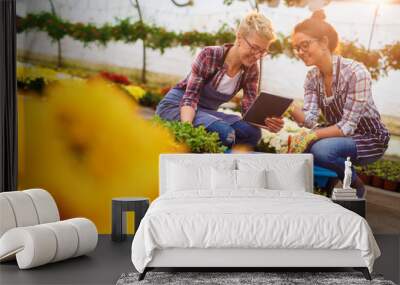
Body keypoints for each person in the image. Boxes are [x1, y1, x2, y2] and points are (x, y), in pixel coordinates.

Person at [266, 10, 390, 198]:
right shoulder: (312, 78)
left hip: (369, 137)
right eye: (297, 48)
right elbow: (310, 119)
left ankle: (355, 184)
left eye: (305, 45)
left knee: (321, 150)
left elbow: (348, 126)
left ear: (324, 42)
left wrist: (311, 135)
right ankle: (317, 189)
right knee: (294, 146)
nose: (300, 52)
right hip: (338, 135)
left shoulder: (356, 72)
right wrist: (289, 107)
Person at [155, 11, 279, 150]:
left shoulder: (251, 69)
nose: (257, 55)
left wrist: (267, 123)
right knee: (224, 132)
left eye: (263, 51)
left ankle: (227, 163)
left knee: (252, 133)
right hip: (178, 107)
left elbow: (247, 111)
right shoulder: (209, 55)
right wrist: (187, 131)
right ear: (239, 38)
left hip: (206, 113)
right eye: (255, 48)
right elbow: (190, 98)